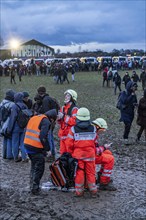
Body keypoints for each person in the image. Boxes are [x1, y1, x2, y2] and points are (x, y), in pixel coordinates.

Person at [24, 109, 57, 195]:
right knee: (39, 167)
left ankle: (31, 185)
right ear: (52, 119)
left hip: (27, 145)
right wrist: (47, 149)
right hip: (35, 147)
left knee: (33, 165)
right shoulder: (46, 122)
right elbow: (42, 137)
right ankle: (35, 188)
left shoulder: (35, 117)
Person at [66, 107, 98, 197]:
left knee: (79, 172)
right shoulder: (94, 128)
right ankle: (93, 191)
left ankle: (79, 192)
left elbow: (69, 144)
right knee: (91, 173)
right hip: (90, 155)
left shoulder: (73, 129)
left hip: (78, 155)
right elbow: (95, 141)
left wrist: (71, 153)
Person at [92, 118, 117, 191]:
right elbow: (93, 150)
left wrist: (104, 149)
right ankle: (104, 182)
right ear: (98, 127)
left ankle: (101, 175)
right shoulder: (92, 134)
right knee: (110, 159)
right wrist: (104, 147)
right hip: (90, 155)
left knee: (108, 153)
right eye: (102, 130)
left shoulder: (92, 132)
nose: (102, 131)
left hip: (88, 153)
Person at [6, 92, 28, 162]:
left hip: (16, 127)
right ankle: (24, 157)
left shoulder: (14, 106)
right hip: (23, 127)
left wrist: (9, 129)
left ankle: (16, 157)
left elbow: (13, 118)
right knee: (22, 143)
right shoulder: (25, 106)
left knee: (15, 143)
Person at [57, 89, 78, 155]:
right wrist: (59, 119)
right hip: (62, 135)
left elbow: (74, 122)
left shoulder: (74, 109)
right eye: (66, 95)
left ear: (72, 98)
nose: (66, 96)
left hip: (69, 136)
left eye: (68, 95)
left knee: (70, 154)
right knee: (62, 154)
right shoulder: (63, 108)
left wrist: (63, 117)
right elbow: (60, 123)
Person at [0, 89, 16, 159]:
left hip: (2, 124)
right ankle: (9, 155)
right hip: (8, 124)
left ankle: (4, 155)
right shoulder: (12, 104)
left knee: (5, 139)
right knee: (9, 138)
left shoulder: (2, 103)